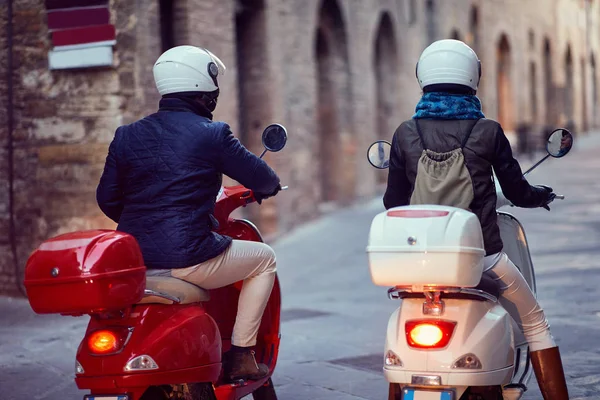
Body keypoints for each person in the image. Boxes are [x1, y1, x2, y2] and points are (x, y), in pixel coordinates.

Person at [383, 39, 569, 399]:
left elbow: (393, 202)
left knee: (404, 325)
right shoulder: (489, 131)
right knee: (534, 320)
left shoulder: (405, 132)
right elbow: (516, 192)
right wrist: (541, 195)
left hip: (421, 262)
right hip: (483, 257)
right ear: (473, 78)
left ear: (423, 77)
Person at [96, 45, 281, 382]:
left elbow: (107, 199)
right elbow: (263, 178)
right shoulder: (213, 134)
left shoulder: (126, 135)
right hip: (187, 257)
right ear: (204, 91)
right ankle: (241, 354)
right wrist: (268, 187)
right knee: (264, 259)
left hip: (136, 259)